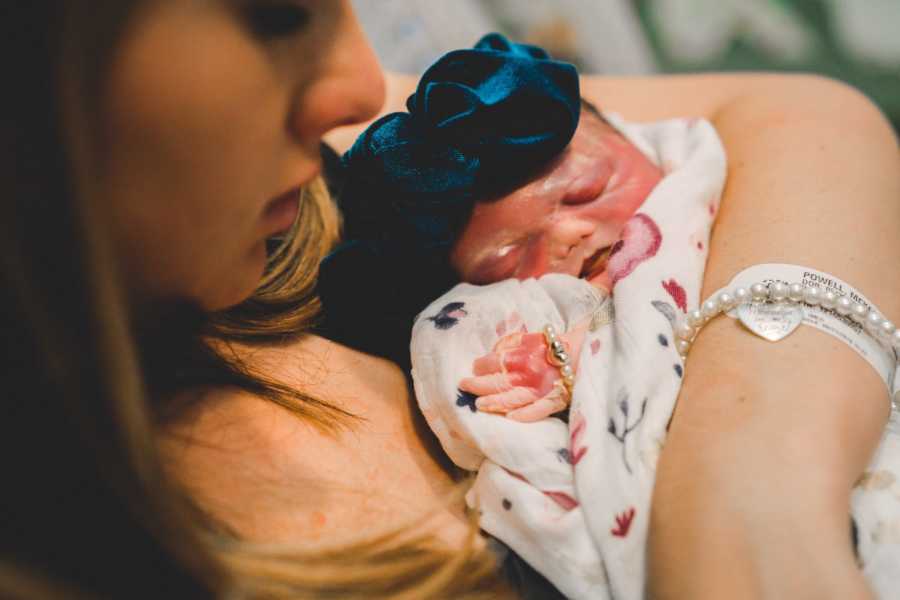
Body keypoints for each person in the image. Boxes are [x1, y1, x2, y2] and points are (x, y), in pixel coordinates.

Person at [3, 3, 898, 600]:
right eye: (276, 13)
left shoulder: (322, 168)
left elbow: (792, 111)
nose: (359, 83)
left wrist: (748, 477)